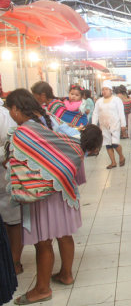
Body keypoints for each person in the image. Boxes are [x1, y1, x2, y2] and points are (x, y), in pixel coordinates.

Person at [5, 89, 103, 305]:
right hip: (63, 189)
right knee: (65, 235)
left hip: (43, 193)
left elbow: (18, 161)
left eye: (9, 111)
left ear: (15, 108)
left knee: (43, 242)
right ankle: (65, 274)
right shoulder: (48, 120)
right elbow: (74, 144)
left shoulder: (24, 132)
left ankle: (42, 289)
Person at [0, 98, 22, 275]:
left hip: (5, 175)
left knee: (12, 220)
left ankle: (14, 261)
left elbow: (11, 145)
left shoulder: (5, 115)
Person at [92, 80, 127, 169]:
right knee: (108, 144)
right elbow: (95, 114)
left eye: (106, 89)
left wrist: (123, 124)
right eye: (103, 89)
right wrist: (93, 125)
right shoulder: (99, 101)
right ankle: (113, 162)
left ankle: (121, 156)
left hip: (115, 124)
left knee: (115, 143)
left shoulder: (116, 100)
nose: (104, 91)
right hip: (103, 125)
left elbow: (121, 113)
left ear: (111, 90)